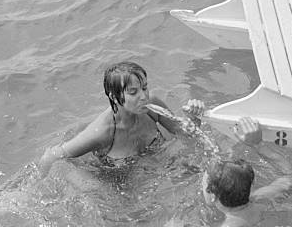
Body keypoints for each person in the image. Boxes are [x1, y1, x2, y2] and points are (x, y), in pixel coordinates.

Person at [38, 61, 204, 174]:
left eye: (144, 88)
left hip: (153, 165)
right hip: (115, 179)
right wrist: (41, 188)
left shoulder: (153, 106)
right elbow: (52, 156)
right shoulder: (102, 132)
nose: (143, 96)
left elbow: (183, 133)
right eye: (133, 92)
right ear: (114, 96)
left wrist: (194, 119)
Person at [201, 117, 292, 227]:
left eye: (202, 184)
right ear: (251, 184)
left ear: (212, 196)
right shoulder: (264, 200)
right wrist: (258, 145)